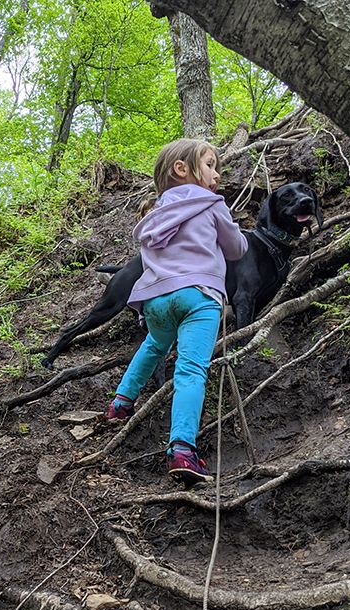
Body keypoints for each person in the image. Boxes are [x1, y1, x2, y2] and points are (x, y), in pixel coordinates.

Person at [106, 138, 248, 486]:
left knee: (156, 344)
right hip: (199, 296)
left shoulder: (153, 215)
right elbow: (237, 249)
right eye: (211, 165)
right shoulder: (211, 204)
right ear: (182, 169)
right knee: (191, 371)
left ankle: (121, 403)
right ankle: (182, 449)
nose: (216, 174)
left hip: (156, 300)